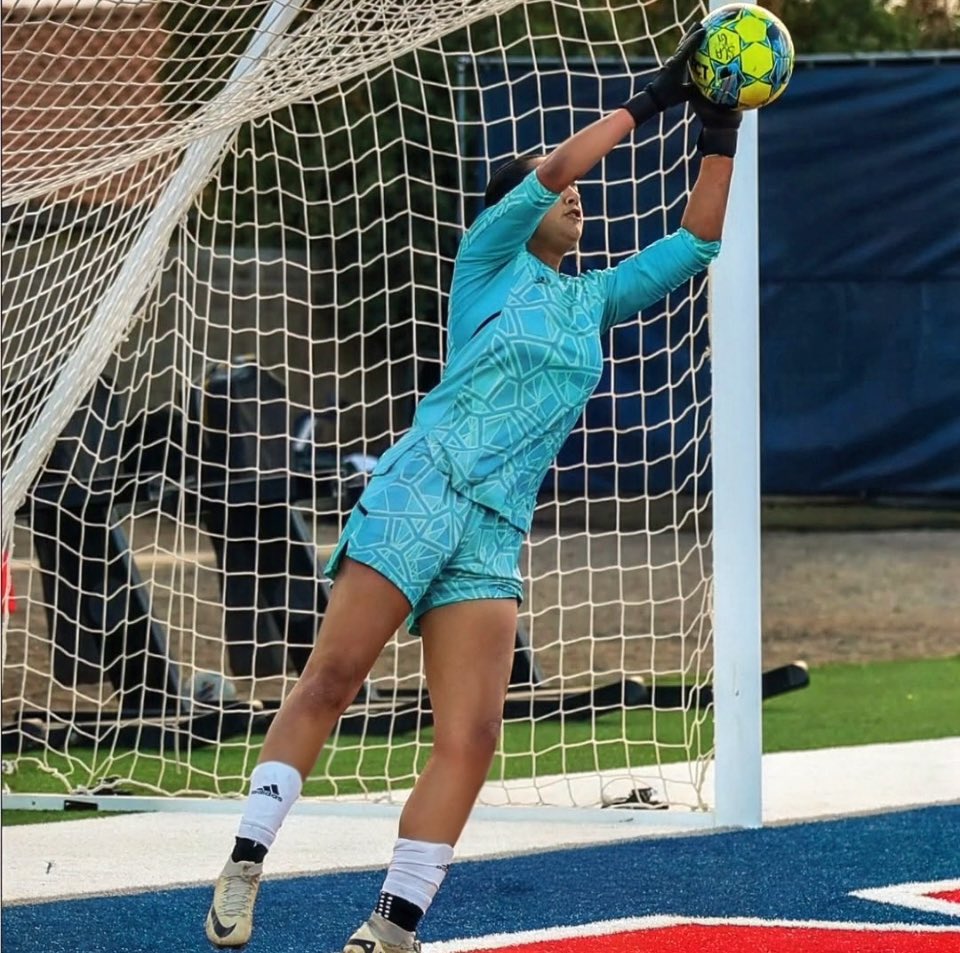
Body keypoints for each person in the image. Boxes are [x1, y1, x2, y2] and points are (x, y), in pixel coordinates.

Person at [205, 23, 741, 953]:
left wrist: (722, 125)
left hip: (495, 529)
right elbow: (554, 166)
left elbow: (696, 243)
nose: (574, 196)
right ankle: (247, 858)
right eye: (557, 190)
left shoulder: (591, 301)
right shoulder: (486, 263)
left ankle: (393, 923)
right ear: (517, 209)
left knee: (476, 733)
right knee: (332, 678)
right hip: (421, 488)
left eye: (574, 191)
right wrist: (657, 96)